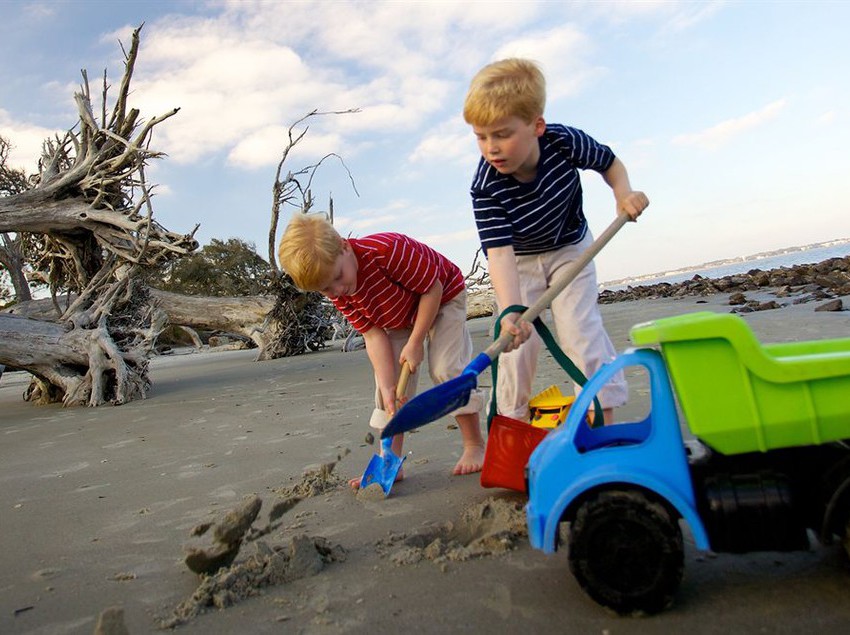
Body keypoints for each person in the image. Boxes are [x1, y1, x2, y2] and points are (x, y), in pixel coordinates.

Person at [462, 58, 649, 425]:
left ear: (537, 126)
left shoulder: (564, 141)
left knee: (581, 332)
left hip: (570, 249)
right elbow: (499, 253)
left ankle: (602, 418)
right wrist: (511, 309)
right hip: (519, 262)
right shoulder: (486, 187)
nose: (491, 148)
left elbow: (611, 164)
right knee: (515, 346)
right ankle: (511, 425)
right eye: (481, 137)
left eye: (502, 134)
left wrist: (623, 194)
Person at [278, 213, 486, 487]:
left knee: (446, 368)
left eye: (338, 277)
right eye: (326, 290)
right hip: (398, 317)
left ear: (345, 246)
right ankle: (390, 460)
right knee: (388, 393)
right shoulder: (342, 293)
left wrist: (416, 342)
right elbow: (373, 335)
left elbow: (431, 289)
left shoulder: (387, 252)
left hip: (442, 296)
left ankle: (474, 444)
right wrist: (389, 385)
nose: (338, 291)